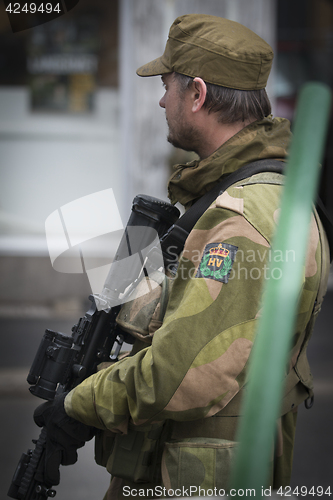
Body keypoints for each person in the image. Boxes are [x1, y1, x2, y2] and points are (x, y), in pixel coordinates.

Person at [34, 14, 330, 499]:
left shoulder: (241, 215)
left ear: (197, 94)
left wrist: (79, 405)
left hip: (193, 478)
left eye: (167, 86)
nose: (160, 100)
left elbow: (182, 375)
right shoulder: (253, 194)